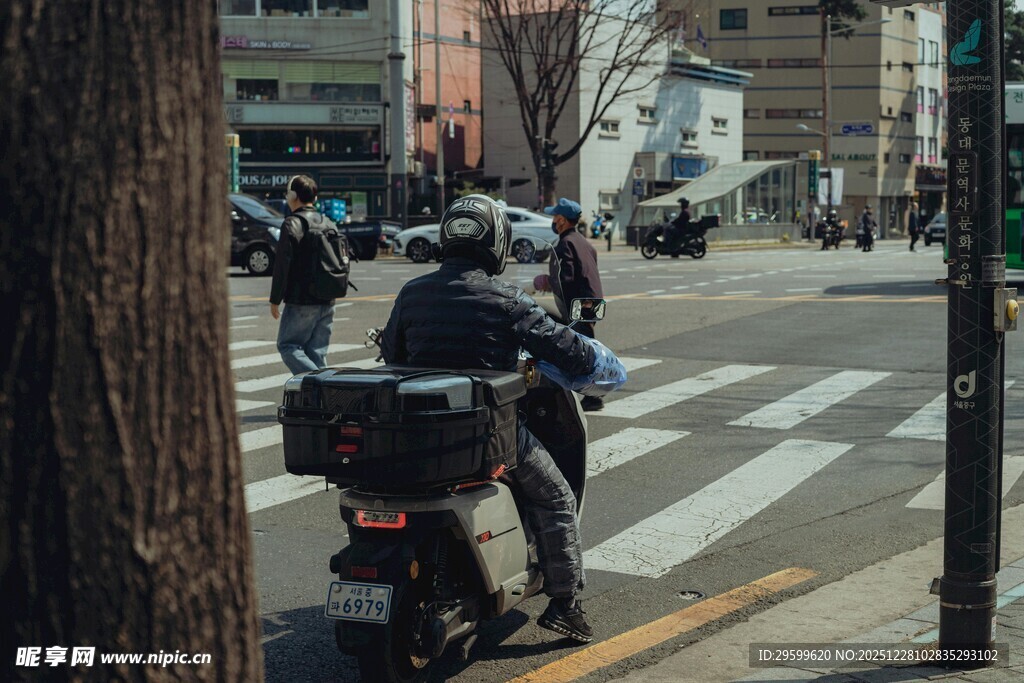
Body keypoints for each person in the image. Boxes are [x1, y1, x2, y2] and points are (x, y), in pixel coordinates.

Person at [380, 194, 596, 643]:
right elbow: (568, 351)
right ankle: (565, 604)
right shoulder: (506, 298)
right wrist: (589, 352)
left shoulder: (412, 293)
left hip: (415, 433)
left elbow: (392, 355)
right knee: (556, 497)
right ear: (497, 243)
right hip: (489, 435)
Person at [269, 175, 339, 374]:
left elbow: (282, 264)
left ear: (292, 196)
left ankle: (320, 384)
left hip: (302, 299)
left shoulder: (292, 223)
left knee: (288, 346)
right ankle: (324, 398)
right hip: (328, 298)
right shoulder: (328, 222)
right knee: (316, 353)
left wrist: (275, 299)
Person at [545, 197, 606, 411]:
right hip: (593, 302)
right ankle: (590, 395)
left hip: (579, 304)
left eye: (554, 217)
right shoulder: (583, 241)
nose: (553, 221)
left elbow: (567, 278)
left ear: (561, 220)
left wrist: (548, 281)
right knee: (585, 348)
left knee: (579, 351)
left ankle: (593, 397)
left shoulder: (565, 244)